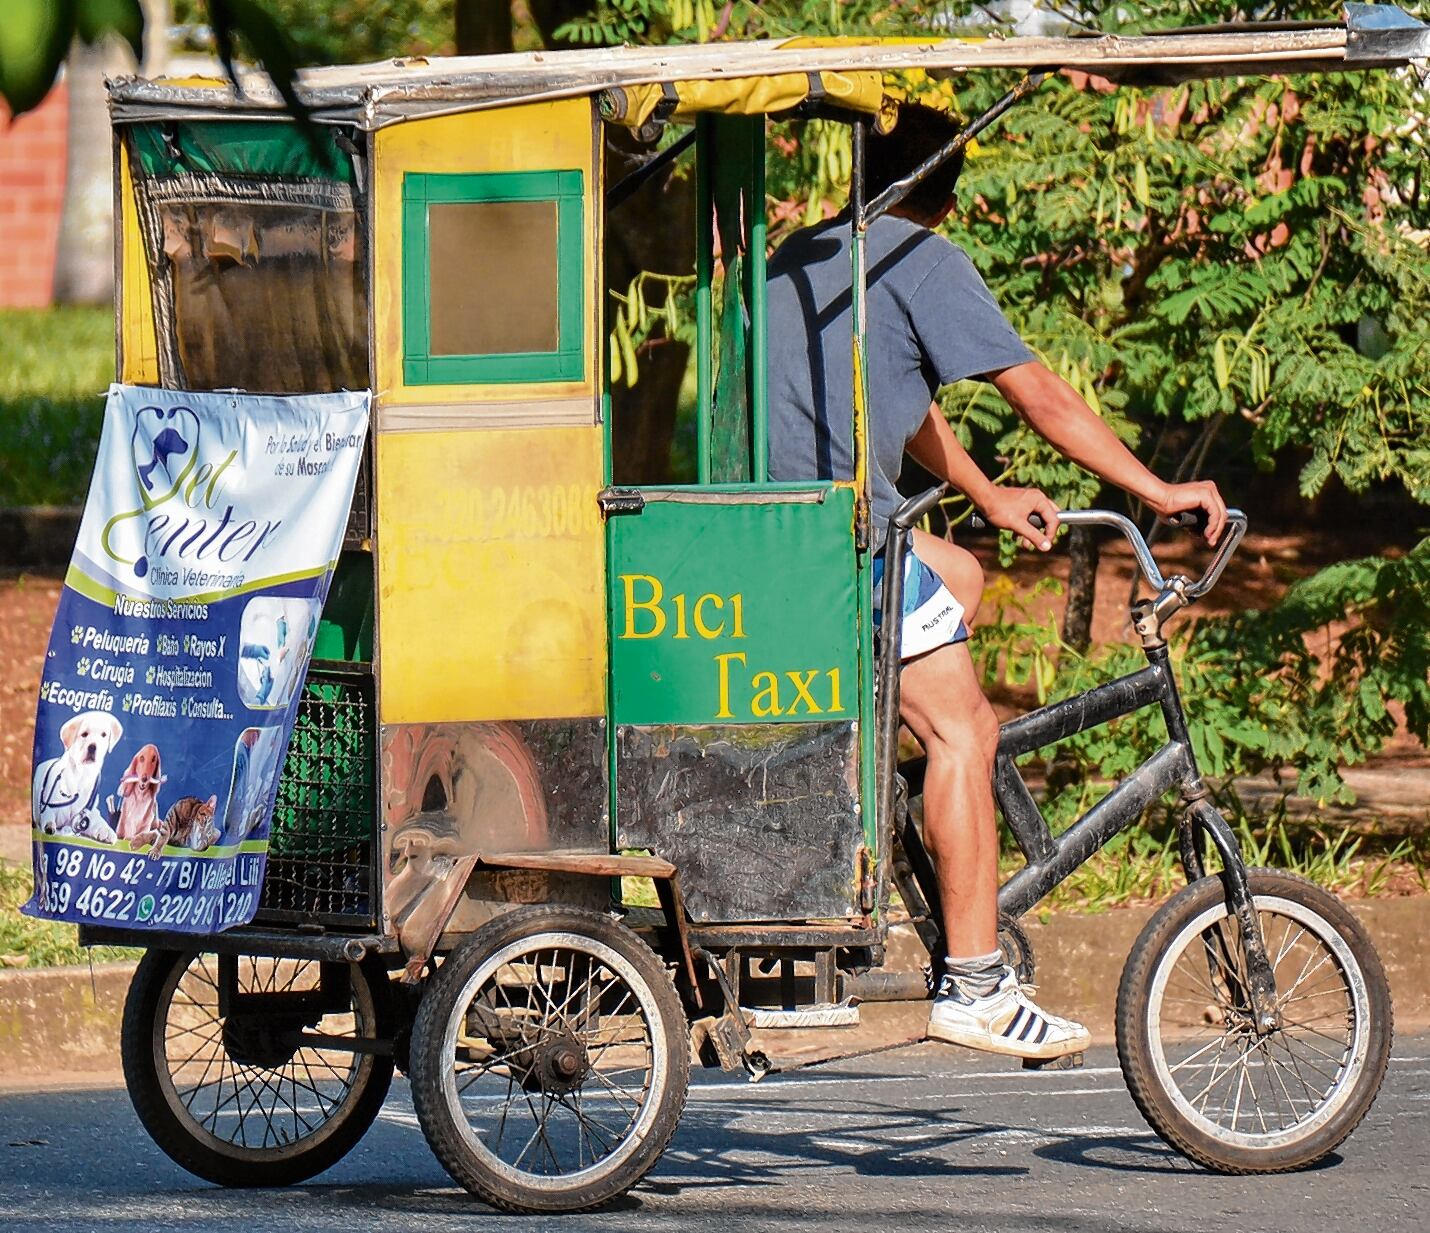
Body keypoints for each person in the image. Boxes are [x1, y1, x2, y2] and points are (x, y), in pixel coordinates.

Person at [766, 104, 1227, 1060]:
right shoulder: (920, 260)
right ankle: (974, 982)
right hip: (840, 549)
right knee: (966, 726)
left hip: (776, 544)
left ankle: (910, 808)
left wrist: (984, 490)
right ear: (945, 188)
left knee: (963, 570)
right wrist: (1157, 488)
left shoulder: (804, 255)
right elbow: (1043, 394)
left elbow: (901, 396)